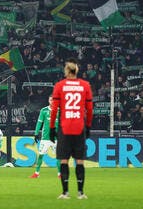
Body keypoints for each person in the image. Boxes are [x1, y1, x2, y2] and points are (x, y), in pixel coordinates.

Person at [49, 59, 93, 200]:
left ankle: (65, 192)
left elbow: (54, 109)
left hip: (64, 127)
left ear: (66, 71)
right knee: (80, 161)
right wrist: (88, 126)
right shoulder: (85, 85)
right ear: (77, 71)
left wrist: (51, 128)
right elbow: (90, 109)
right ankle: (81, 192)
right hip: (79, 127)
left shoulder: (60, 86)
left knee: (64, 160)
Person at [30, 96, 61, 178]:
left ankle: (60, 174)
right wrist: (36, 133)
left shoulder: (59, 111)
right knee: (41, 155)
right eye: (51, 100)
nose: (52, 101)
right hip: (45, 138)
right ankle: (36, 173)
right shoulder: (44, 110)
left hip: (56, 138)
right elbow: (39, 122)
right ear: (48, 100)